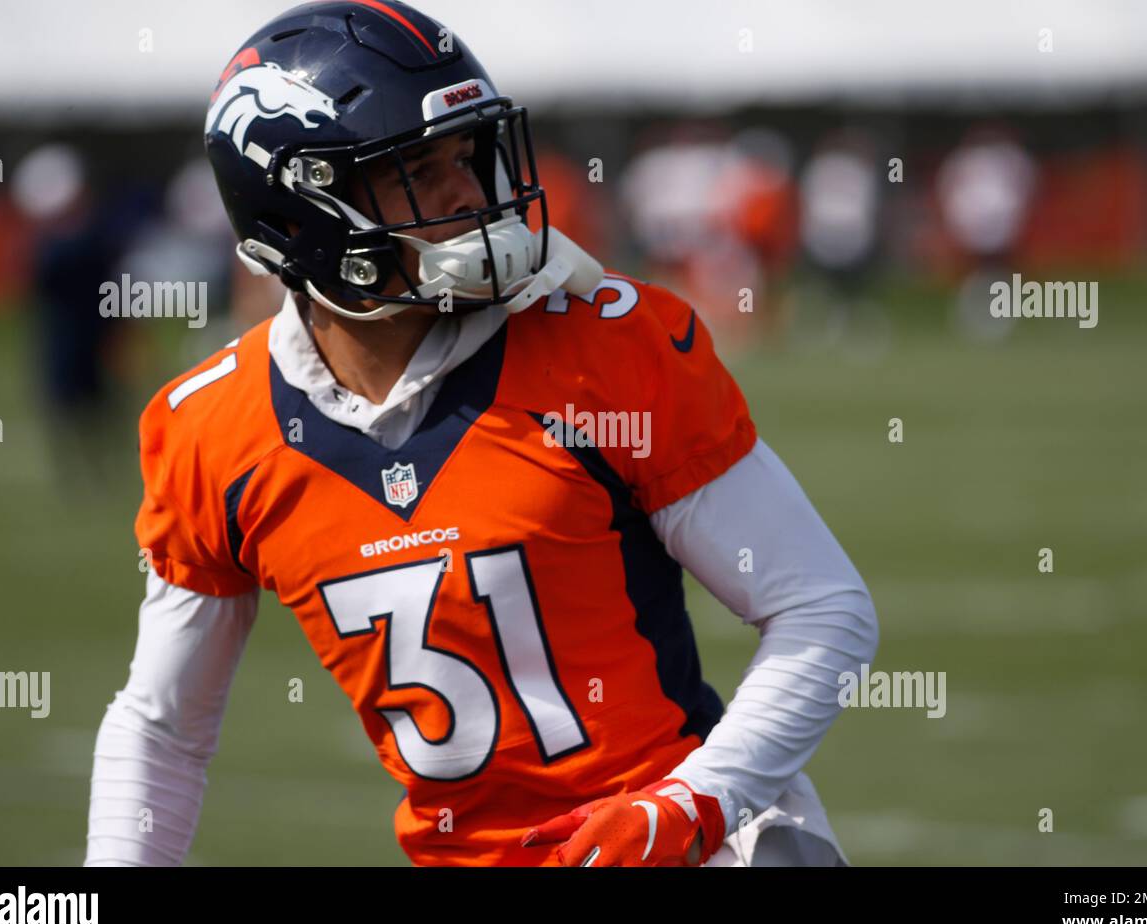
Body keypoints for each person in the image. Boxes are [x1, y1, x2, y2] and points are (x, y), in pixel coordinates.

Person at [85, 0, 878, 867]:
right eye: (418, 169)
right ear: (300, 210)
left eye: (466, 155)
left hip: (694, 842)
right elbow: (161, 731)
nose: (469, 190)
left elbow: (823, 609)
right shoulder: (213, 430)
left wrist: (691, 803)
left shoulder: (603, 347)